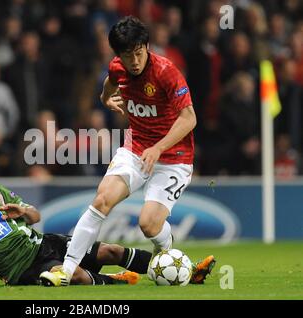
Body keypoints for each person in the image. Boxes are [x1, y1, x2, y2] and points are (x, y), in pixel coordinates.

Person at [40, 16, 215, 286]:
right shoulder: (117, 67)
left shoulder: (166, 71)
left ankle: (176, 260)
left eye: (138, 52)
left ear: (147, 46)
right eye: (127, 55)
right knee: (102, 200)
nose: (134, 61)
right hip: (134, 150)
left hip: (173, 158)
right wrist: (105, 98)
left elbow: (189, 118)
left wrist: (158, 147)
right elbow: (110, 83)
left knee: (149, 225)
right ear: (118, 55)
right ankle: (66, 269)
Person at [0, 148, 154, 286]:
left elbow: (35, 216)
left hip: (44, 243)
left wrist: (23, 212)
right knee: (74, 274)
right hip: (22, 269)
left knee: (111, 251)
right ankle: (116, 281)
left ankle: (166, 266)